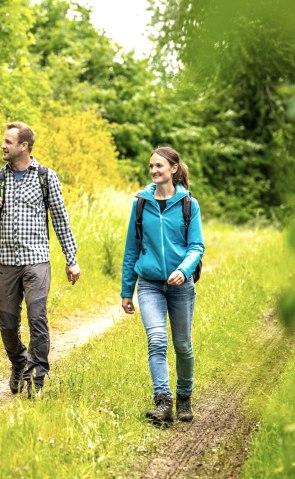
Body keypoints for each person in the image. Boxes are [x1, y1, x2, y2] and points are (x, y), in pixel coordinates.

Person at [0, 121, 81, 399]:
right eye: (4, 141)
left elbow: (60, 219)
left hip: (36, 260)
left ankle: (37, 376)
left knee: (37, 318)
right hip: (4, 260)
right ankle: (19, 362)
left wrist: (72, 259)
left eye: (8, 142)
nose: (3, 145)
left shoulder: (46, 177)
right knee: (8, 324)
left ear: (24, 146)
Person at [121, 146, 204, 425]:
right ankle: (163, 402)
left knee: (182, 345)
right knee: (156, 340)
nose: (155, 170)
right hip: (149, 285)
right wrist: (126, 291)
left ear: (174, 169)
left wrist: (183, 270)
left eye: (160, 166)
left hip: (181, 286)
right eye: (151, 166)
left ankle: (183, 398)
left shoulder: (188, 204)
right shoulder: (141, 203)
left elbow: (196, 246)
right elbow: (132, 249)